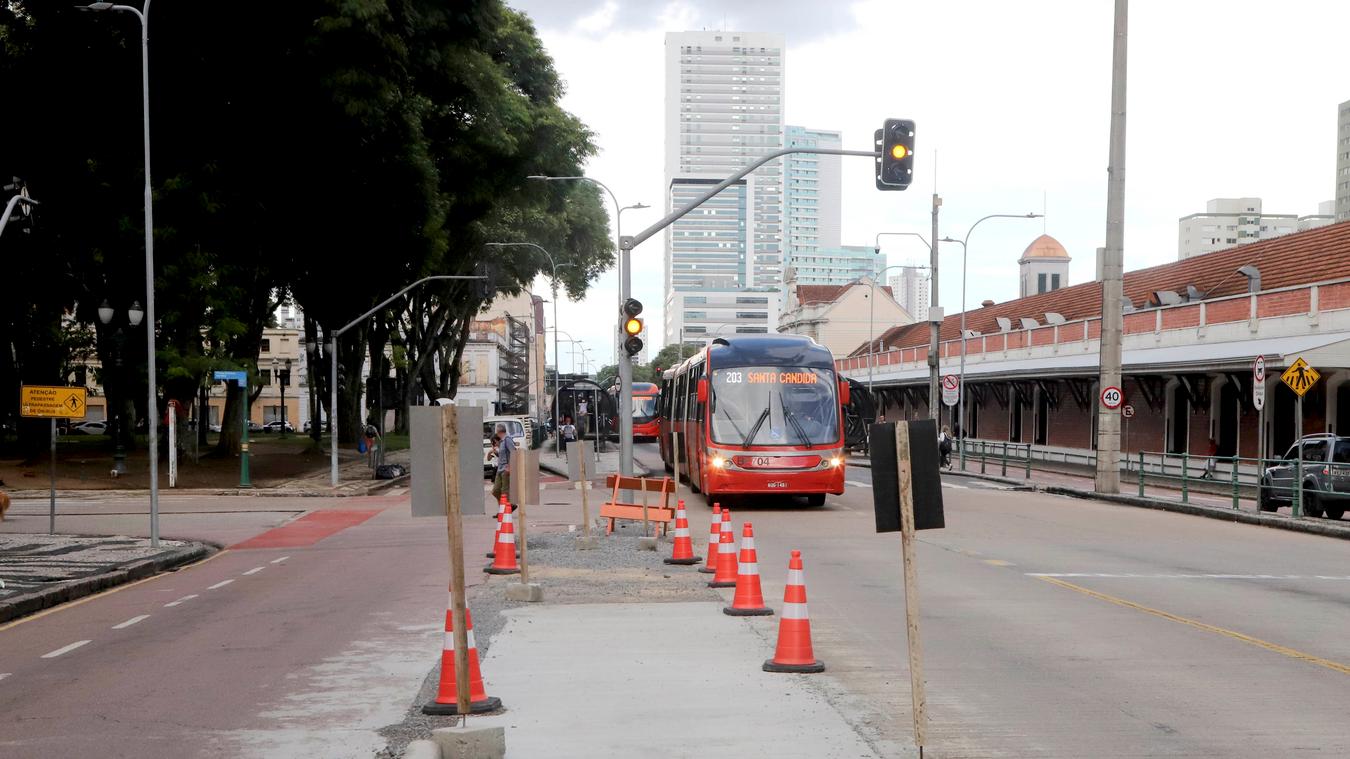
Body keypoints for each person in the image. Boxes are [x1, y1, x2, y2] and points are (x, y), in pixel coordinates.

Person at [491, 422, 515, 501]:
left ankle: (505, 510)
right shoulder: (502, 441)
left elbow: (513, 452)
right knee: (496, 490)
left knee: (505, 491)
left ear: (498, 431)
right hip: (500, 469)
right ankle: (508, 506)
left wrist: (509, 466)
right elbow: (502, 455)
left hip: (505, 469)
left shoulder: (507, 439)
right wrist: (496, 453)